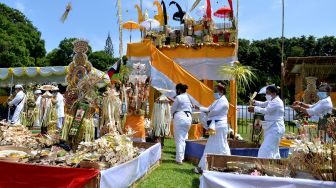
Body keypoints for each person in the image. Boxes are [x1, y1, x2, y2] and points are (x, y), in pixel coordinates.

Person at [194, 83, 231, 173]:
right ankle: (207, 166)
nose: (214, 93)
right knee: (216, 145)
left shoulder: (224, 101)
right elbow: (208, 109)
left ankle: (224, 164)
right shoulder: (217, 100)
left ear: (221, 91)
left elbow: (213, 112)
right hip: (215, 126)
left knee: (221, 145)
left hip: (220, 126)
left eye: (215, 91)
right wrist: (198, 108)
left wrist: (206, 115)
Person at [248, 85, 285, 159]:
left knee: (265, 149)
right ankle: (275, 165)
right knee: (274, 150)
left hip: (275, 128)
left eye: (268, 93)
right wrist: (254, 102)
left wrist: (254, 108)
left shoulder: (277, 102)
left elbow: (266, 110)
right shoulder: (272, 100)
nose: (266, 95)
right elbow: (263, 104)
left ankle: (262, 165)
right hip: (272, 127)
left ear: (274, 93)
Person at [171, 83, 193, 164]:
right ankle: (181, 157)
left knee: (179, 139)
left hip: (180, 117)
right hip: (188, 118)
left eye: (176, 90)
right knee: (183, 138)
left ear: (179, 90)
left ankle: (179, 160)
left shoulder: (178, 98)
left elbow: (173, 109)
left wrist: (171, 114)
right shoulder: (188, 97)